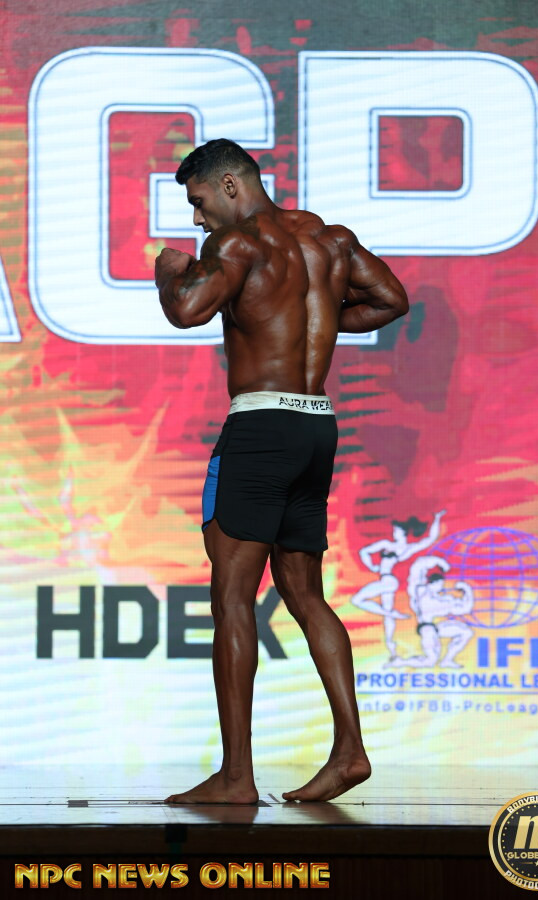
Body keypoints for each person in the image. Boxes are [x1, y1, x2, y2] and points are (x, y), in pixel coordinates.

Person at [154, 139, 409, 804]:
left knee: (233, 598)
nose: (198, 219)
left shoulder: (235, 244)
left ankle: (236, 777)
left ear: (230, 185)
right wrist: (304, 323)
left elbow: (187, 309)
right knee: (305, 593)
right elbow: (391, 300)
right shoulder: (328, 239)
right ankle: (350, 751)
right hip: (315, 425)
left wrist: (169, 269)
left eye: (199, 202)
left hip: (260, 428)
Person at [350, 512, 446, 660]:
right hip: (387, 581)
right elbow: (364, 551)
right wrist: (372, 566)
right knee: (387, 618)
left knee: (356, 600)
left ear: (403, 532)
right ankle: (392, 651)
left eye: (396, 531)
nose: (393, 533)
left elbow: (430, 539)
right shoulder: (387, 544)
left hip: (389, 581)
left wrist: (437, 519)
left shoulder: (406, 548)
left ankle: (393, 614)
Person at [389, 555, 474, 668]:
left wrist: (467, 590)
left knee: (466, 632)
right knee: (430, 661)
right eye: (440, 584)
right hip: (427, 629)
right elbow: (418, 566)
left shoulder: (441, 599)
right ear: (433, 583)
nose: (441, 587)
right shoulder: (421, 592)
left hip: (436, 627)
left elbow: (464, 608)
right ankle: (400, 662)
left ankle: (447, 660)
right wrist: (439, 561)